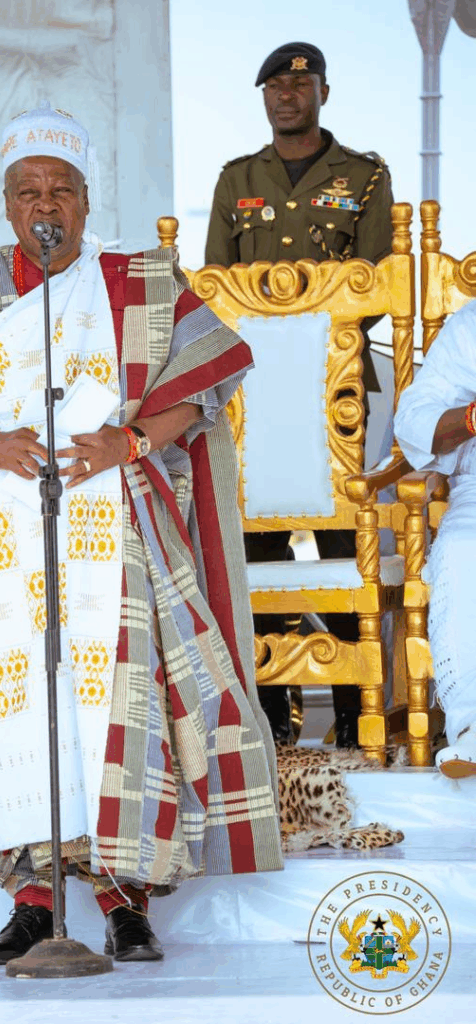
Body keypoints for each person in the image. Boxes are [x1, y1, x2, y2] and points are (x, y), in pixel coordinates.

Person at [0, 105, 283, 966]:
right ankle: (32, 900)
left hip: (111, 530)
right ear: (6, 203)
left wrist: (127, 442)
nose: (44, 204)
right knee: (8, 710)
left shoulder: (139, 283)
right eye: (28, 191)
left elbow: (206, 381)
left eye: (60, 189)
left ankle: (122, 899)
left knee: (112, 706)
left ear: (86, 199)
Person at [204, 42, 395, 747]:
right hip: (250, 396)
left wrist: (310, 342)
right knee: (259, 549)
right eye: (274, 88)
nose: (286, 97)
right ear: (264, 98)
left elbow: (376, 284)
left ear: (322, 93)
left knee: (347, 544)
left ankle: (351, 715)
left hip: (333, 388)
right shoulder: (237, 179)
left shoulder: (364, 178)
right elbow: (215, 286)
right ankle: (273, 721)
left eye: (299, 85)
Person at [395, 301, 476, 778]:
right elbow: (415, 417)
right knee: (463, 552)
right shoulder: (470, 326)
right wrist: (471, 417)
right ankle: (472, 728)